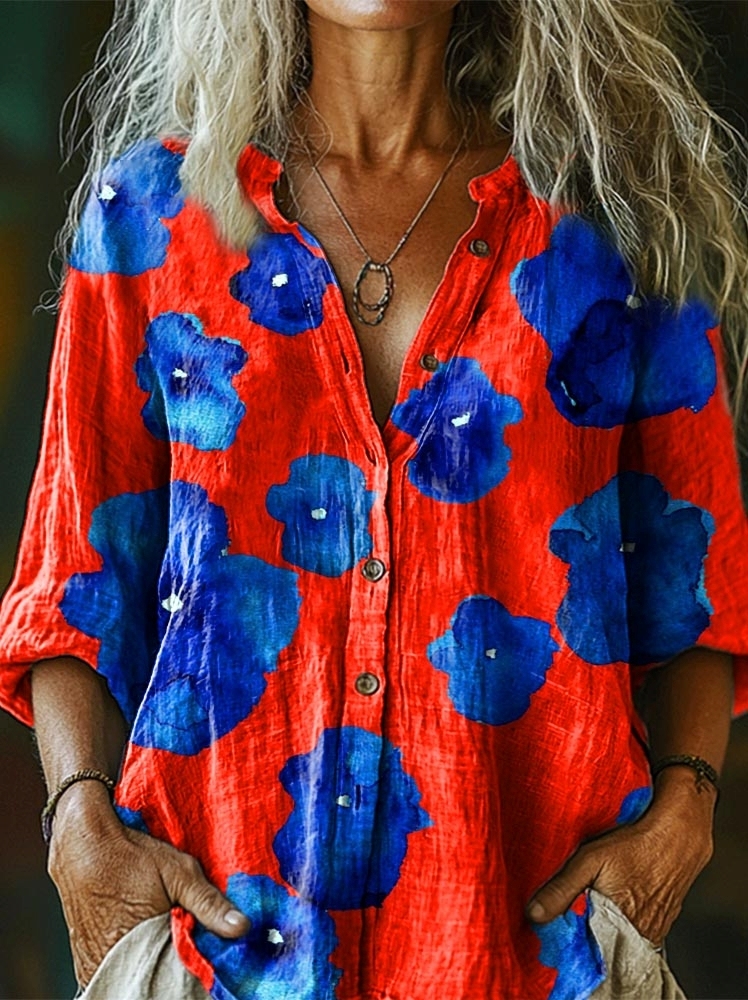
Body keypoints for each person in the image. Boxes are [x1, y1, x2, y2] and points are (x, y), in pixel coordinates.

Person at [2, 1, 748, 997]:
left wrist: (687, 807)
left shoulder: (615, 217)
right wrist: (78, 820)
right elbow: (71, 587)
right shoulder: (151, 218)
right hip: (217, 955)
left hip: (538, 957)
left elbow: (694, 576)